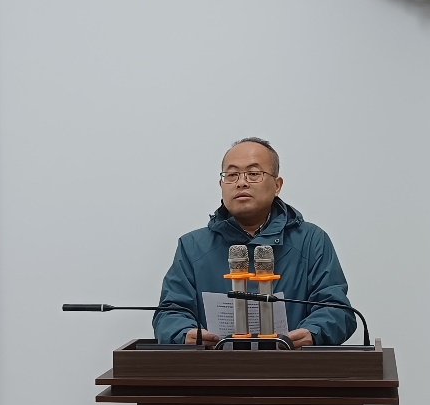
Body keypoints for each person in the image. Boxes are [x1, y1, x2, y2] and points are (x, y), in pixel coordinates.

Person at [152, 137, 357, 348]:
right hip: (215, 364)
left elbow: (337, 309)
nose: (241, 182)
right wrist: (183, 333)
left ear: (277, 185)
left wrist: (313, 332)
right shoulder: (192, 246)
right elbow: (169, 312)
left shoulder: (311, 240)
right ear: (221, 185)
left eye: (253, 174)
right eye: (232, 175)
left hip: (291, 363)